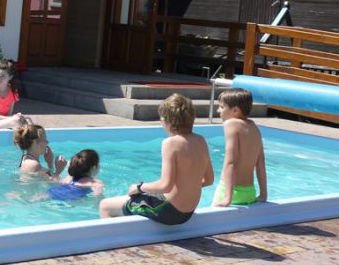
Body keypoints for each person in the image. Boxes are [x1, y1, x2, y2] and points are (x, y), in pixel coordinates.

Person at [100, 94, 214, 225]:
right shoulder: (201, 140)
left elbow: (165, 185)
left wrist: (139, 187)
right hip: (187, 213)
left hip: (168, 210)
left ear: (168, 121)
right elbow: (209, 180)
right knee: (141, 198)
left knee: (105, 206)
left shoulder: (171, 143)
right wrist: (187, 187)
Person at [213, 88, 267, 206]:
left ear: (235, 110)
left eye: (222, 107)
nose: (218, 110)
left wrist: (227, 198)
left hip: (231, 193)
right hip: (250, 192)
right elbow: (260, 163)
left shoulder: (230, 124)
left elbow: (231, 162)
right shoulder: (254, 127)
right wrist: (263, 194)